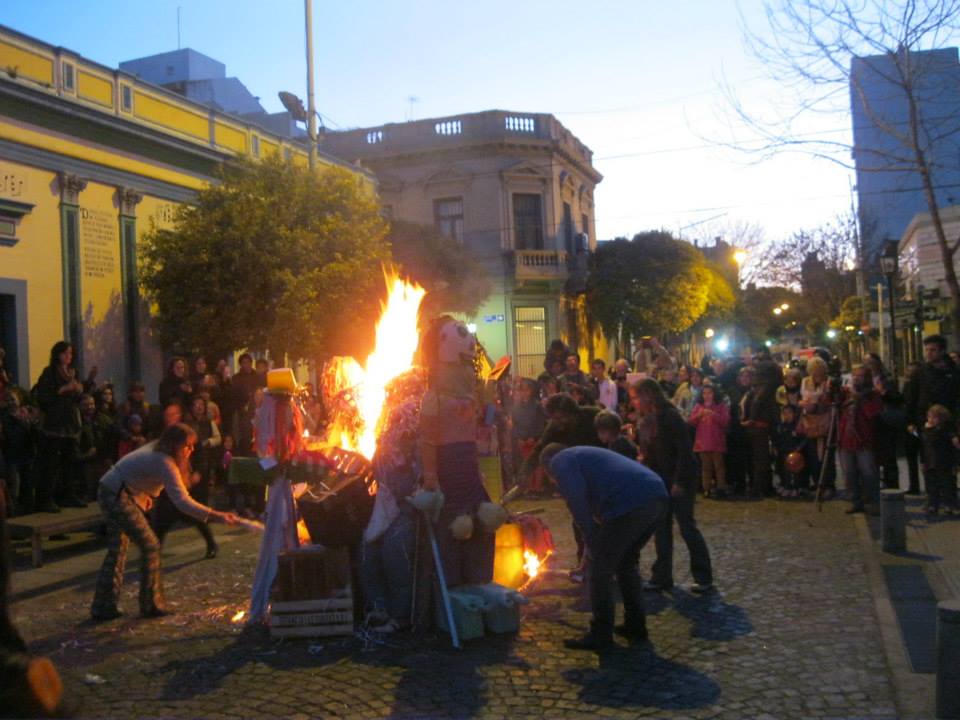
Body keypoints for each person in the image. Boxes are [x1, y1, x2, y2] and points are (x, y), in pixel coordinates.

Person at [90, 424, 237, 621]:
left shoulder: (161, 453)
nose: (191, 450)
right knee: (149, 545)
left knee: (118, 550)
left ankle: (104, 605)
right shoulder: (164, 461)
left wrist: (146, 495)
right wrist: (216, 515)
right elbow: (182, 501)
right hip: (116, 494)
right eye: (187, 446)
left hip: (116, 490)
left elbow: (138, 476)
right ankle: (149, 604)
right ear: (175, 444)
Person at [542, 444, 668, 650]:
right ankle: (635, 625)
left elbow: (578, 505)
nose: (554, 483)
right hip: (655, 495)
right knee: (626, 563)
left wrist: (592, 544)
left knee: (600, 571)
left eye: (551, 478)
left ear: (548, 466)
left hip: (630, 503)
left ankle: (601, 633)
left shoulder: (560, 461)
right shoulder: (583, 457)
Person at [630, 379, 714, 594]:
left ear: (648, 394)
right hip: (661, 478)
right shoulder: (649, 419)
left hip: (679, 478)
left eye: (636, 397)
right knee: (661, 528)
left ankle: (703, 576)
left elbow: (684, 451)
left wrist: (679, 482)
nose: (634, 402)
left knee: (686, 526)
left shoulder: (670, 416)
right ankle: (662, 576)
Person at [150, 399, 220, 559]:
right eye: (168, 415)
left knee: (194, 515)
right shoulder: (162, 434)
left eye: (174, 414)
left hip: (185, 480)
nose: (170, 417)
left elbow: (199, 453)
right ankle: (154, 552)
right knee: (161, 521)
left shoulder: (186, 431)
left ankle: (211, 543)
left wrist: (197, 472)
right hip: (168, 482)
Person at [33, 341, 85, 512]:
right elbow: (43, 396)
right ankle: (46, 498)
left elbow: (76, 398)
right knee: (51, 463)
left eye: (70, 353)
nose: (68, 356)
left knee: (69, 461)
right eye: (65, 353)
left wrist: (79, 390)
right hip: (54, 425)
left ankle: (68, 494)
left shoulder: (71, 373)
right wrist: (64, 389)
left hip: (69, 423)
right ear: (57, 354)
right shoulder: (49, 373)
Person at [838, 367, 882, 514]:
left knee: (868, 473)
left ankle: (873, 503)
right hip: (846, 439)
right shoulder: (847, 394)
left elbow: (873, 414)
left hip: (864, 439)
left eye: (861, 376)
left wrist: (861, 400)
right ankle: (855, 501)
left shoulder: (873, 395)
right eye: (855, 376)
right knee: (849, 473)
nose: (857, 379)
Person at [799, 356, 836, 499]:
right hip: (810, 421)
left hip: (825, 420)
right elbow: (803, 398)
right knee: (813, 454)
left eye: (818, 369)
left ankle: (828, 484)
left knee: (826, 454)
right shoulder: (805, 381)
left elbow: (829, 400)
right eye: (813, 369)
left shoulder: (828, 382)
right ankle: (817, 482)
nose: (816, 372)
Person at [689, 383, 729, 498]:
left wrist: (714, 415)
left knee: (719, 467)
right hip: (703, 441)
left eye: (709, 393)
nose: (707, 396)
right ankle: (706, 488)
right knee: (706, 467)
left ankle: (721, 487)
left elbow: (725, 421)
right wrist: (699, 415)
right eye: (704, 393)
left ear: (714, 394)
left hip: (716, 441)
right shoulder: (699, 407)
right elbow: (691, 421)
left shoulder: (720, 406)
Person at [921, 404, 958, 516]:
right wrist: (923, 462)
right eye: (929, 417)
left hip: (944, 462)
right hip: (930, 461)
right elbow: (924, 447)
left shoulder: (945, 430)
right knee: (932, 485)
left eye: (934, 417)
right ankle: (933, 504)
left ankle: (948, 504)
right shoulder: (926, 430)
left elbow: (952, 443)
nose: (931, 420)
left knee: (946, 484)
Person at [510, 379, 547, 493]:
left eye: (527, 390)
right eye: (522, 390)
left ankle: (537, 487)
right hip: (522, 439)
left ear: (532, 391)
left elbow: (540, 423)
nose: (524, 392)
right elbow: (514, 424)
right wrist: (519, 437)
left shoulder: (537, 405)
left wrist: (534, 437)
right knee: (526, 463)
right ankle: (529, 487)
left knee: (536, 464)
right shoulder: (516, 407)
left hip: (534, 439)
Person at [773, 404, 807, 497]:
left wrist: (799, 448)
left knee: (795, 472)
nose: (787, 415)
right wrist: (775, 447)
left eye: (789, 413)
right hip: (783, 452)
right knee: (784, 470)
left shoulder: (797, 427)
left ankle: (796, 487)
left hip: (795, 453)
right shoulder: (781, 426)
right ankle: (785, 485)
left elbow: (804, 438)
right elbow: (777, 438)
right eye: (785, 413)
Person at [901, 362, 923, 494]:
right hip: (911, 425)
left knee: (924, 455)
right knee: (911, 454)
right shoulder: (908, 385)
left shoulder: (922, 386)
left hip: (917, 424)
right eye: (909, 371)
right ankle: (914, 485)